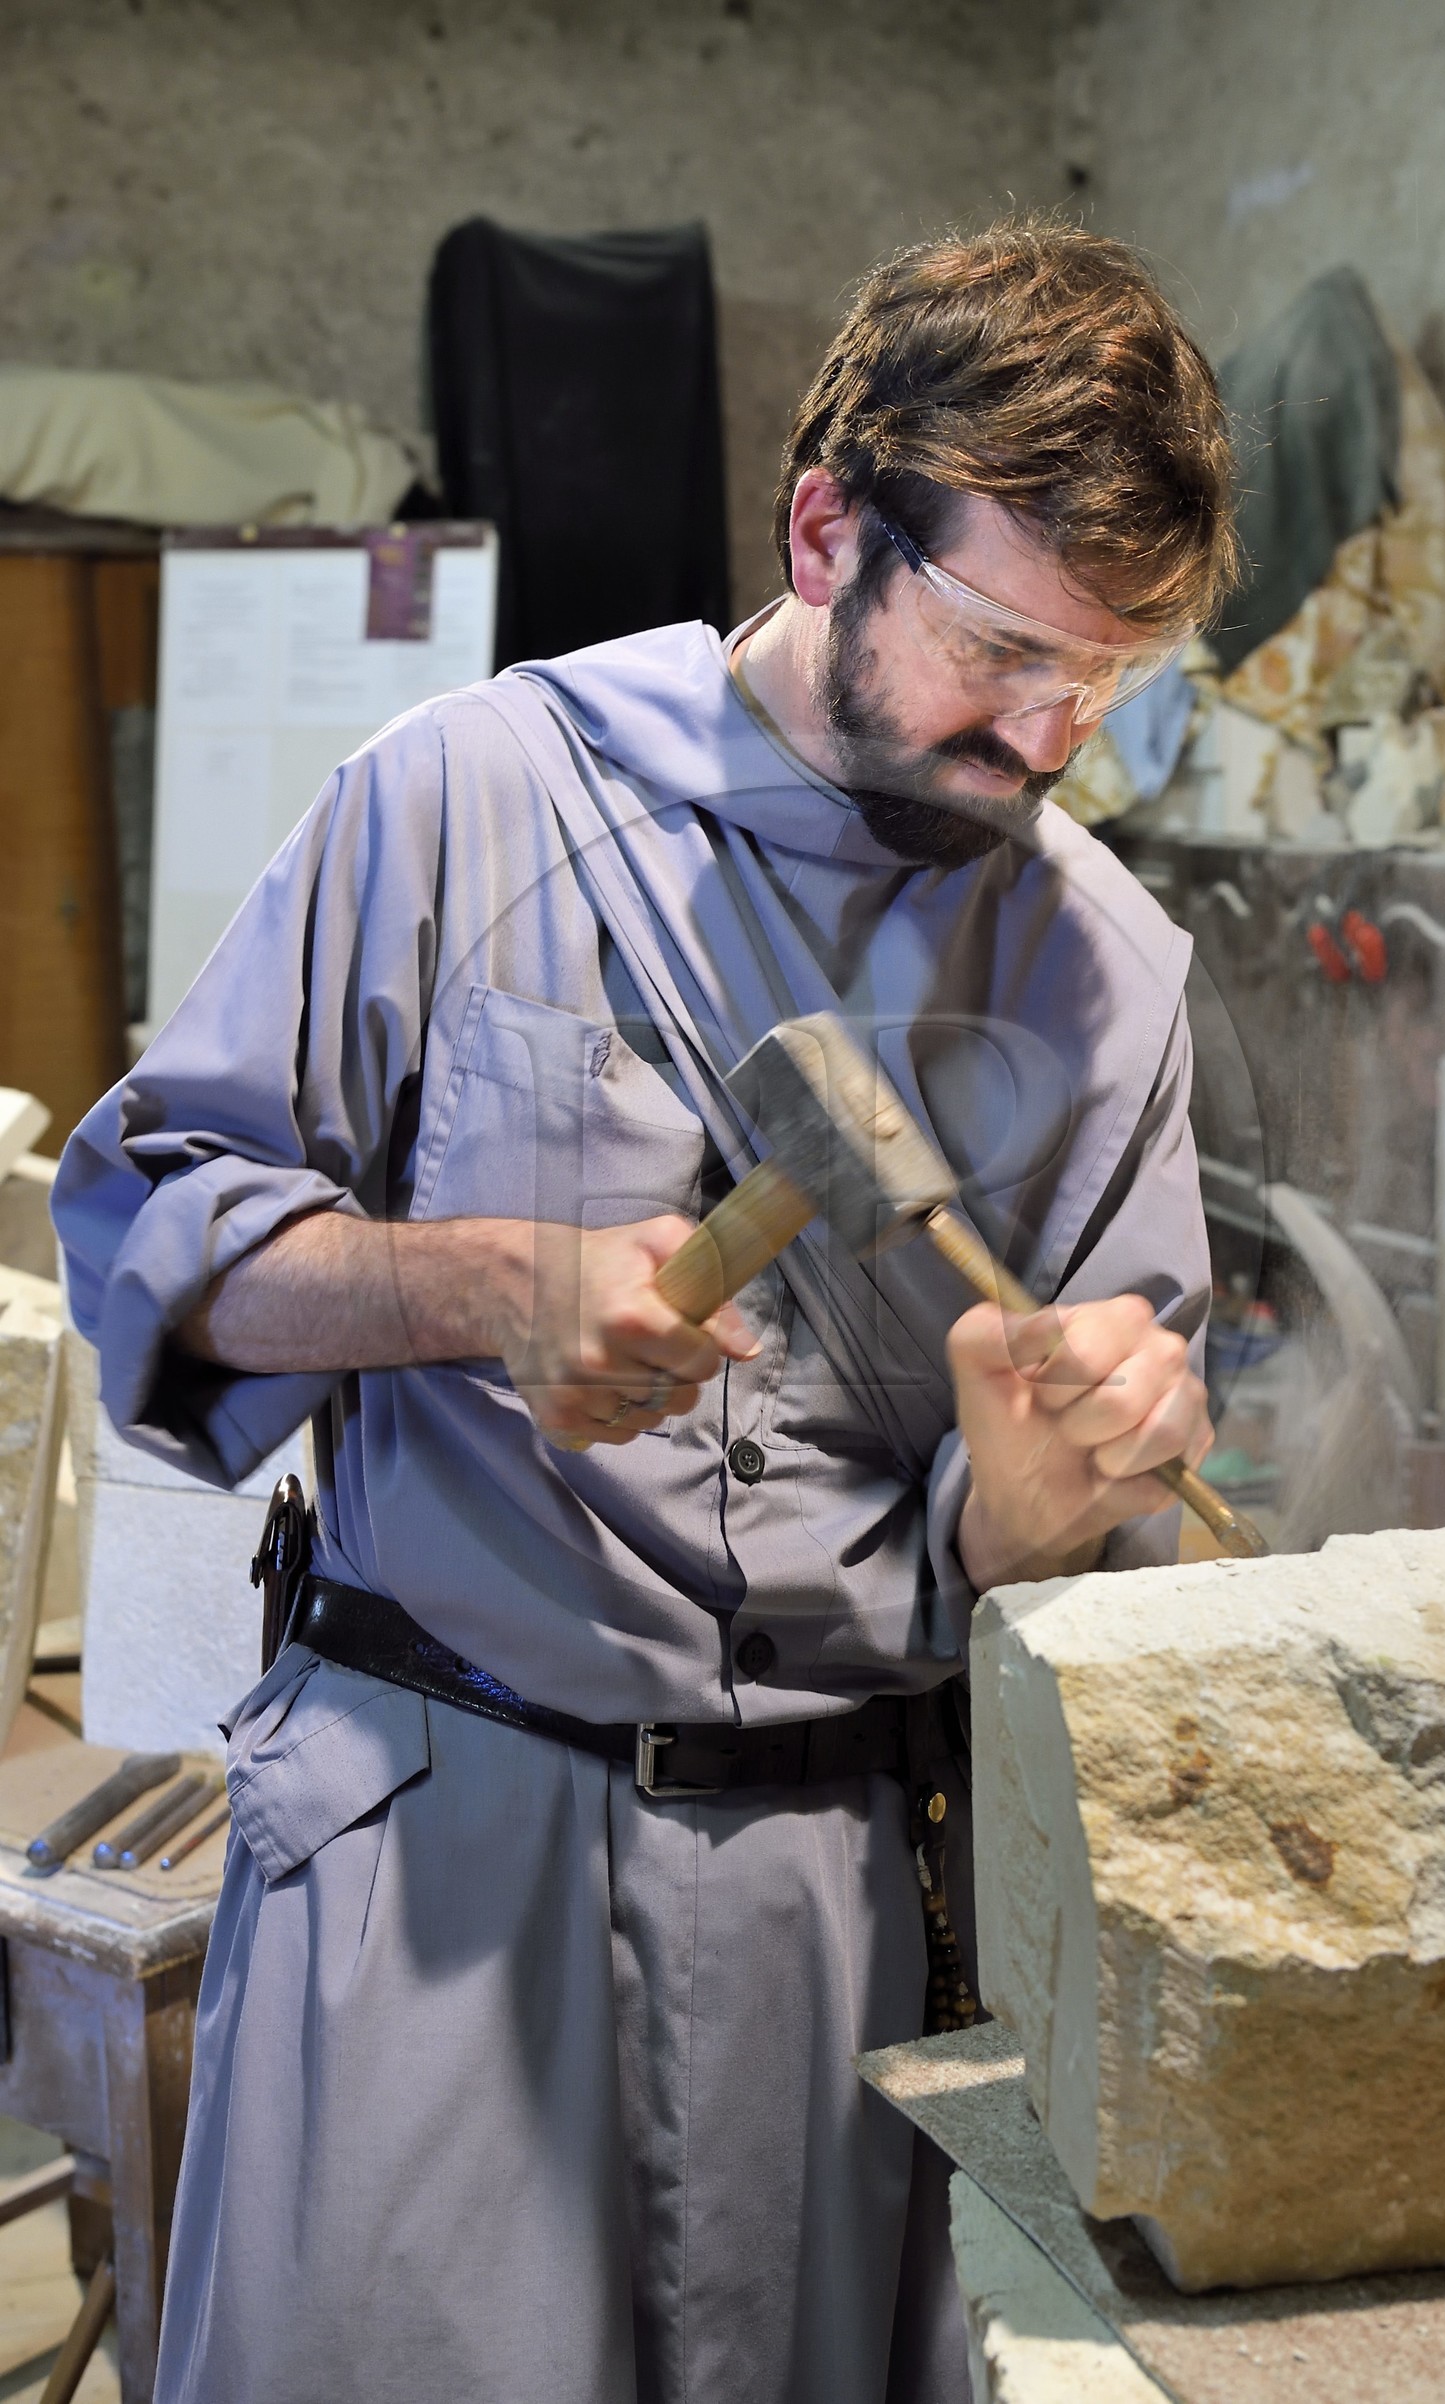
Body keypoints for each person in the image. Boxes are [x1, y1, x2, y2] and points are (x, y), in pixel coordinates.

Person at [54, 217, 1236, 2404]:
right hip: (445, 1831)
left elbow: (1093, 1561)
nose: (1056, 724)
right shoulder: (471, 794)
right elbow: (143, 1221)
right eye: (1002, 644)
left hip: (863, 1890)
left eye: (1119, 671)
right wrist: (464, 1279)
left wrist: (1048, 1502)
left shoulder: (1102, 969)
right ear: (826, 526)